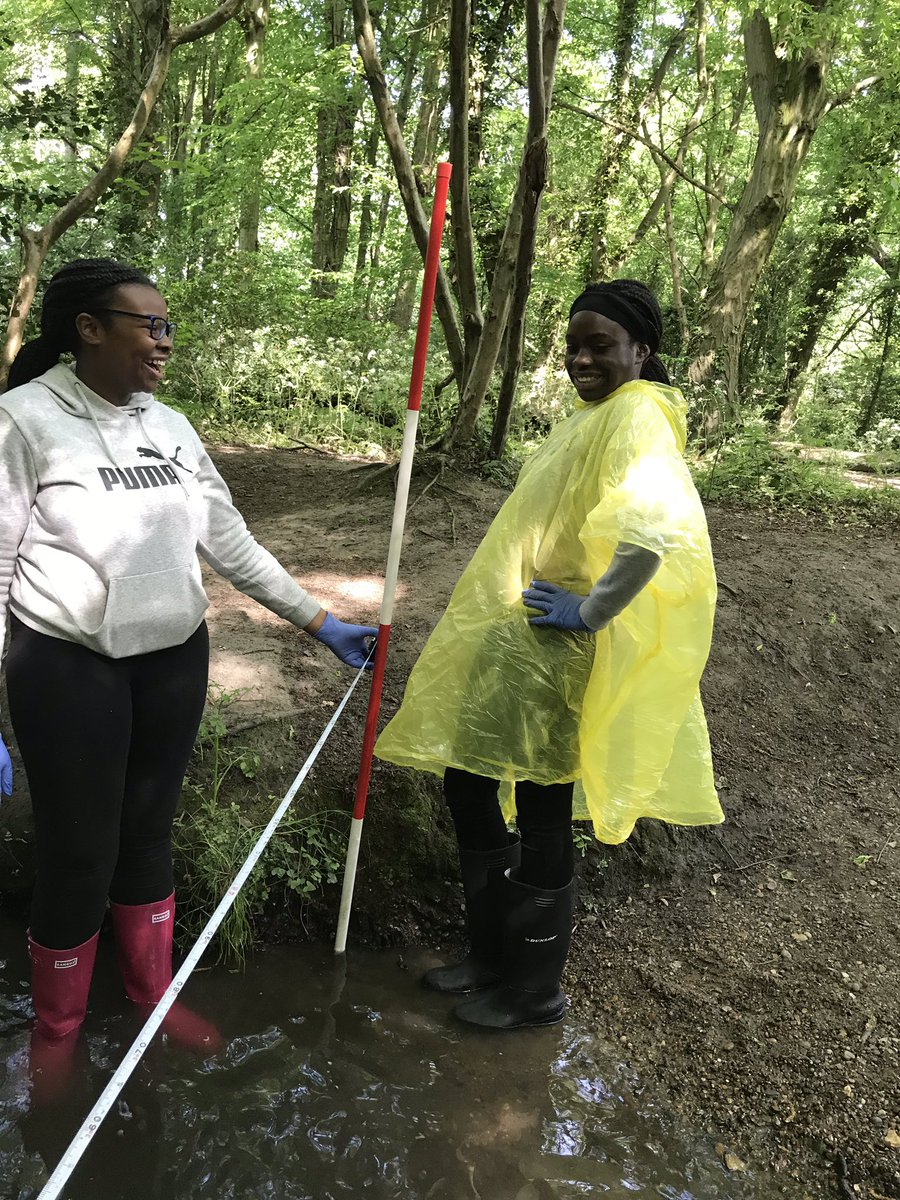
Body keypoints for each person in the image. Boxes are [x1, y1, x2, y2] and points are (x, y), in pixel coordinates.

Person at [0, 258, 377, 1094]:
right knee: (77, 852)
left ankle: (149, 996)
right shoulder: (22, 422)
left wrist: (319, 621)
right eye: (151, 326)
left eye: (170, 327)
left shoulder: (169, 426)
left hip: (172, 659)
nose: (165, 343)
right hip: (67, 665)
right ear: (89, 328)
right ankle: (55, 1033)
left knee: (148, 833)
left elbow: (229, 541)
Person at [375, 279, 723, 1030]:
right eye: (573, 345)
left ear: (642, 349)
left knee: (539, 807)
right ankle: (493, 955)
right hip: (516, 639)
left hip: (559, 651)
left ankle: (533, 990)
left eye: (600, 344)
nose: (581, 359)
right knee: (468, 783)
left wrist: (592, 610)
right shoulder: (588, 418)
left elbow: (656, 526)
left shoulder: (640, 414)